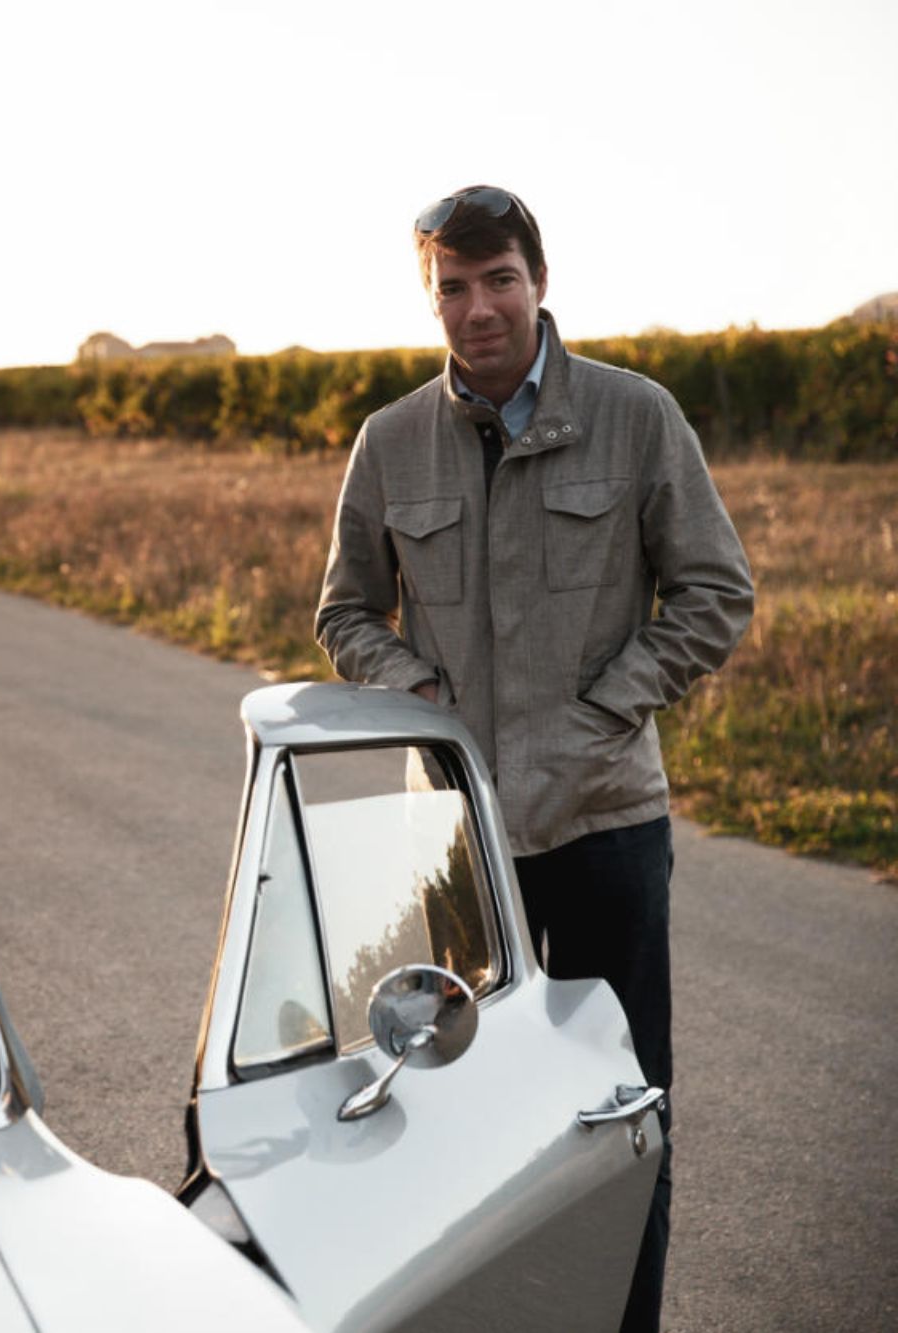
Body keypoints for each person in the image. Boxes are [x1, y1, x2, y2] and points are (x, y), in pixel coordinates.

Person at [314, 185, 753, 1331]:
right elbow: (344, 611)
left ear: (537, 281)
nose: (475, 309)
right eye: (449, 288)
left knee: (619, 1112)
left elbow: (714, 591)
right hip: (461, 844)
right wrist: (413, 688)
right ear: (430, 299)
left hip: (605, 823)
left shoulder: (633, 415)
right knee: (459, 1110)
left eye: (496, 279)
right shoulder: (390, 442)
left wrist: (611, 703)